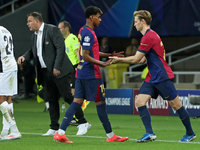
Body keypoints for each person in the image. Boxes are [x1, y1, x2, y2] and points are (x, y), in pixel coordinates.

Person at [109, 10, 196, 142]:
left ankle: (190, 133)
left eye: (136, 22)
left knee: (176, 105)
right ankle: (149, 133)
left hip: (161, 76)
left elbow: (137, 59)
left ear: (143, 21)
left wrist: (118, 59)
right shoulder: (149, 36)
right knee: (139, 102)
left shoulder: (148, 37)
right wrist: (125, 58)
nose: (134, 25)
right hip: (151, 77)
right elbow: (143, 60)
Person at [53, 6, 129, 143]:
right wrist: (103, 63)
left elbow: (90, 52)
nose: (100, 19)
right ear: (92, 17)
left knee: (76, 102)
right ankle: (111, 136)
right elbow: (86, 55)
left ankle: (60, 132)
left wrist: (108, 55)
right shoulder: (89, 33)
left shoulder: (83, 31)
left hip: (81, 73)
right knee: (100, 102)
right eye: (99, 17)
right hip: (91, 74)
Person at [17, 12, 90, 136]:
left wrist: (56, 67)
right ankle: (54, 127)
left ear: (37, 21)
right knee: (51, 99)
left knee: (67, 96)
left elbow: (60, 48)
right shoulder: (34, 36)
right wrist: (24, 56)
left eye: (29, 21)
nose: (27, 24)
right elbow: (32, 50)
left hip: (59, 70)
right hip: (45, 72)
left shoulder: (52, 30)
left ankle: (83, 123)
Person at [58, 21, 91, 126]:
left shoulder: (72, 38)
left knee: (73, 93)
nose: (59, 30)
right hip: (67, 69)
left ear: (66, 28)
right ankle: (76, 115)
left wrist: (80, 66)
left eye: (60, 28)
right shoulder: (64, 40)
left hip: (74, 68)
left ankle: (76, 116)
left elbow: (77, 52)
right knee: (71, 93)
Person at [0, 26, 21, 140]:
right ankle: (5, 131)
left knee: (1, 99)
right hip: (12, 64)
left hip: (4, 67)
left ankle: (14, 130)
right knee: (8, 98)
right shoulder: (5, 30)